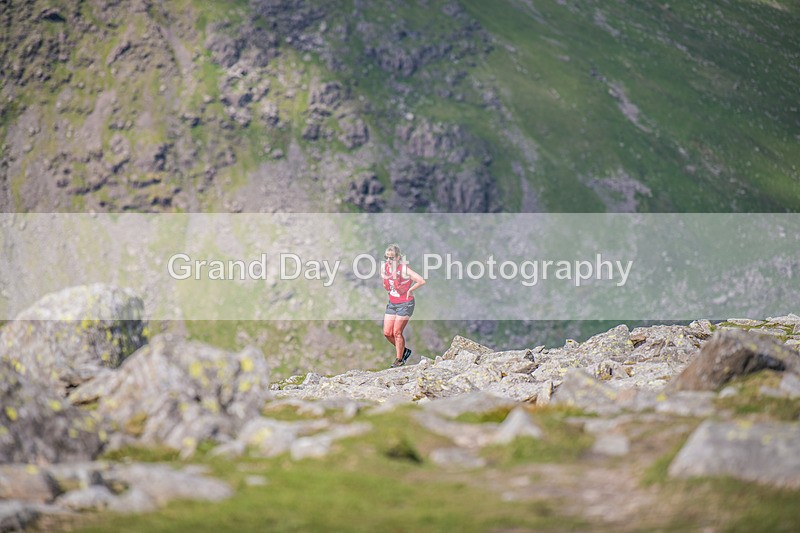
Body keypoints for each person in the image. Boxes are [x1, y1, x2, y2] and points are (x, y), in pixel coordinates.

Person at [381, 243, 425, 368]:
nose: (389, 260)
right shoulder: (386, 267)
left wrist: (410, 290)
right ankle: (404, 351)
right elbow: (385, 281)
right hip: (392, 303)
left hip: (405, 303)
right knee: (387, 333)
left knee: (397, 332)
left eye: (392, 258)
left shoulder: (404, 269)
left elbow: (421, 280)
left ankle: (399, 359)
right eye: (387, 257)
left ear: (398, 258)